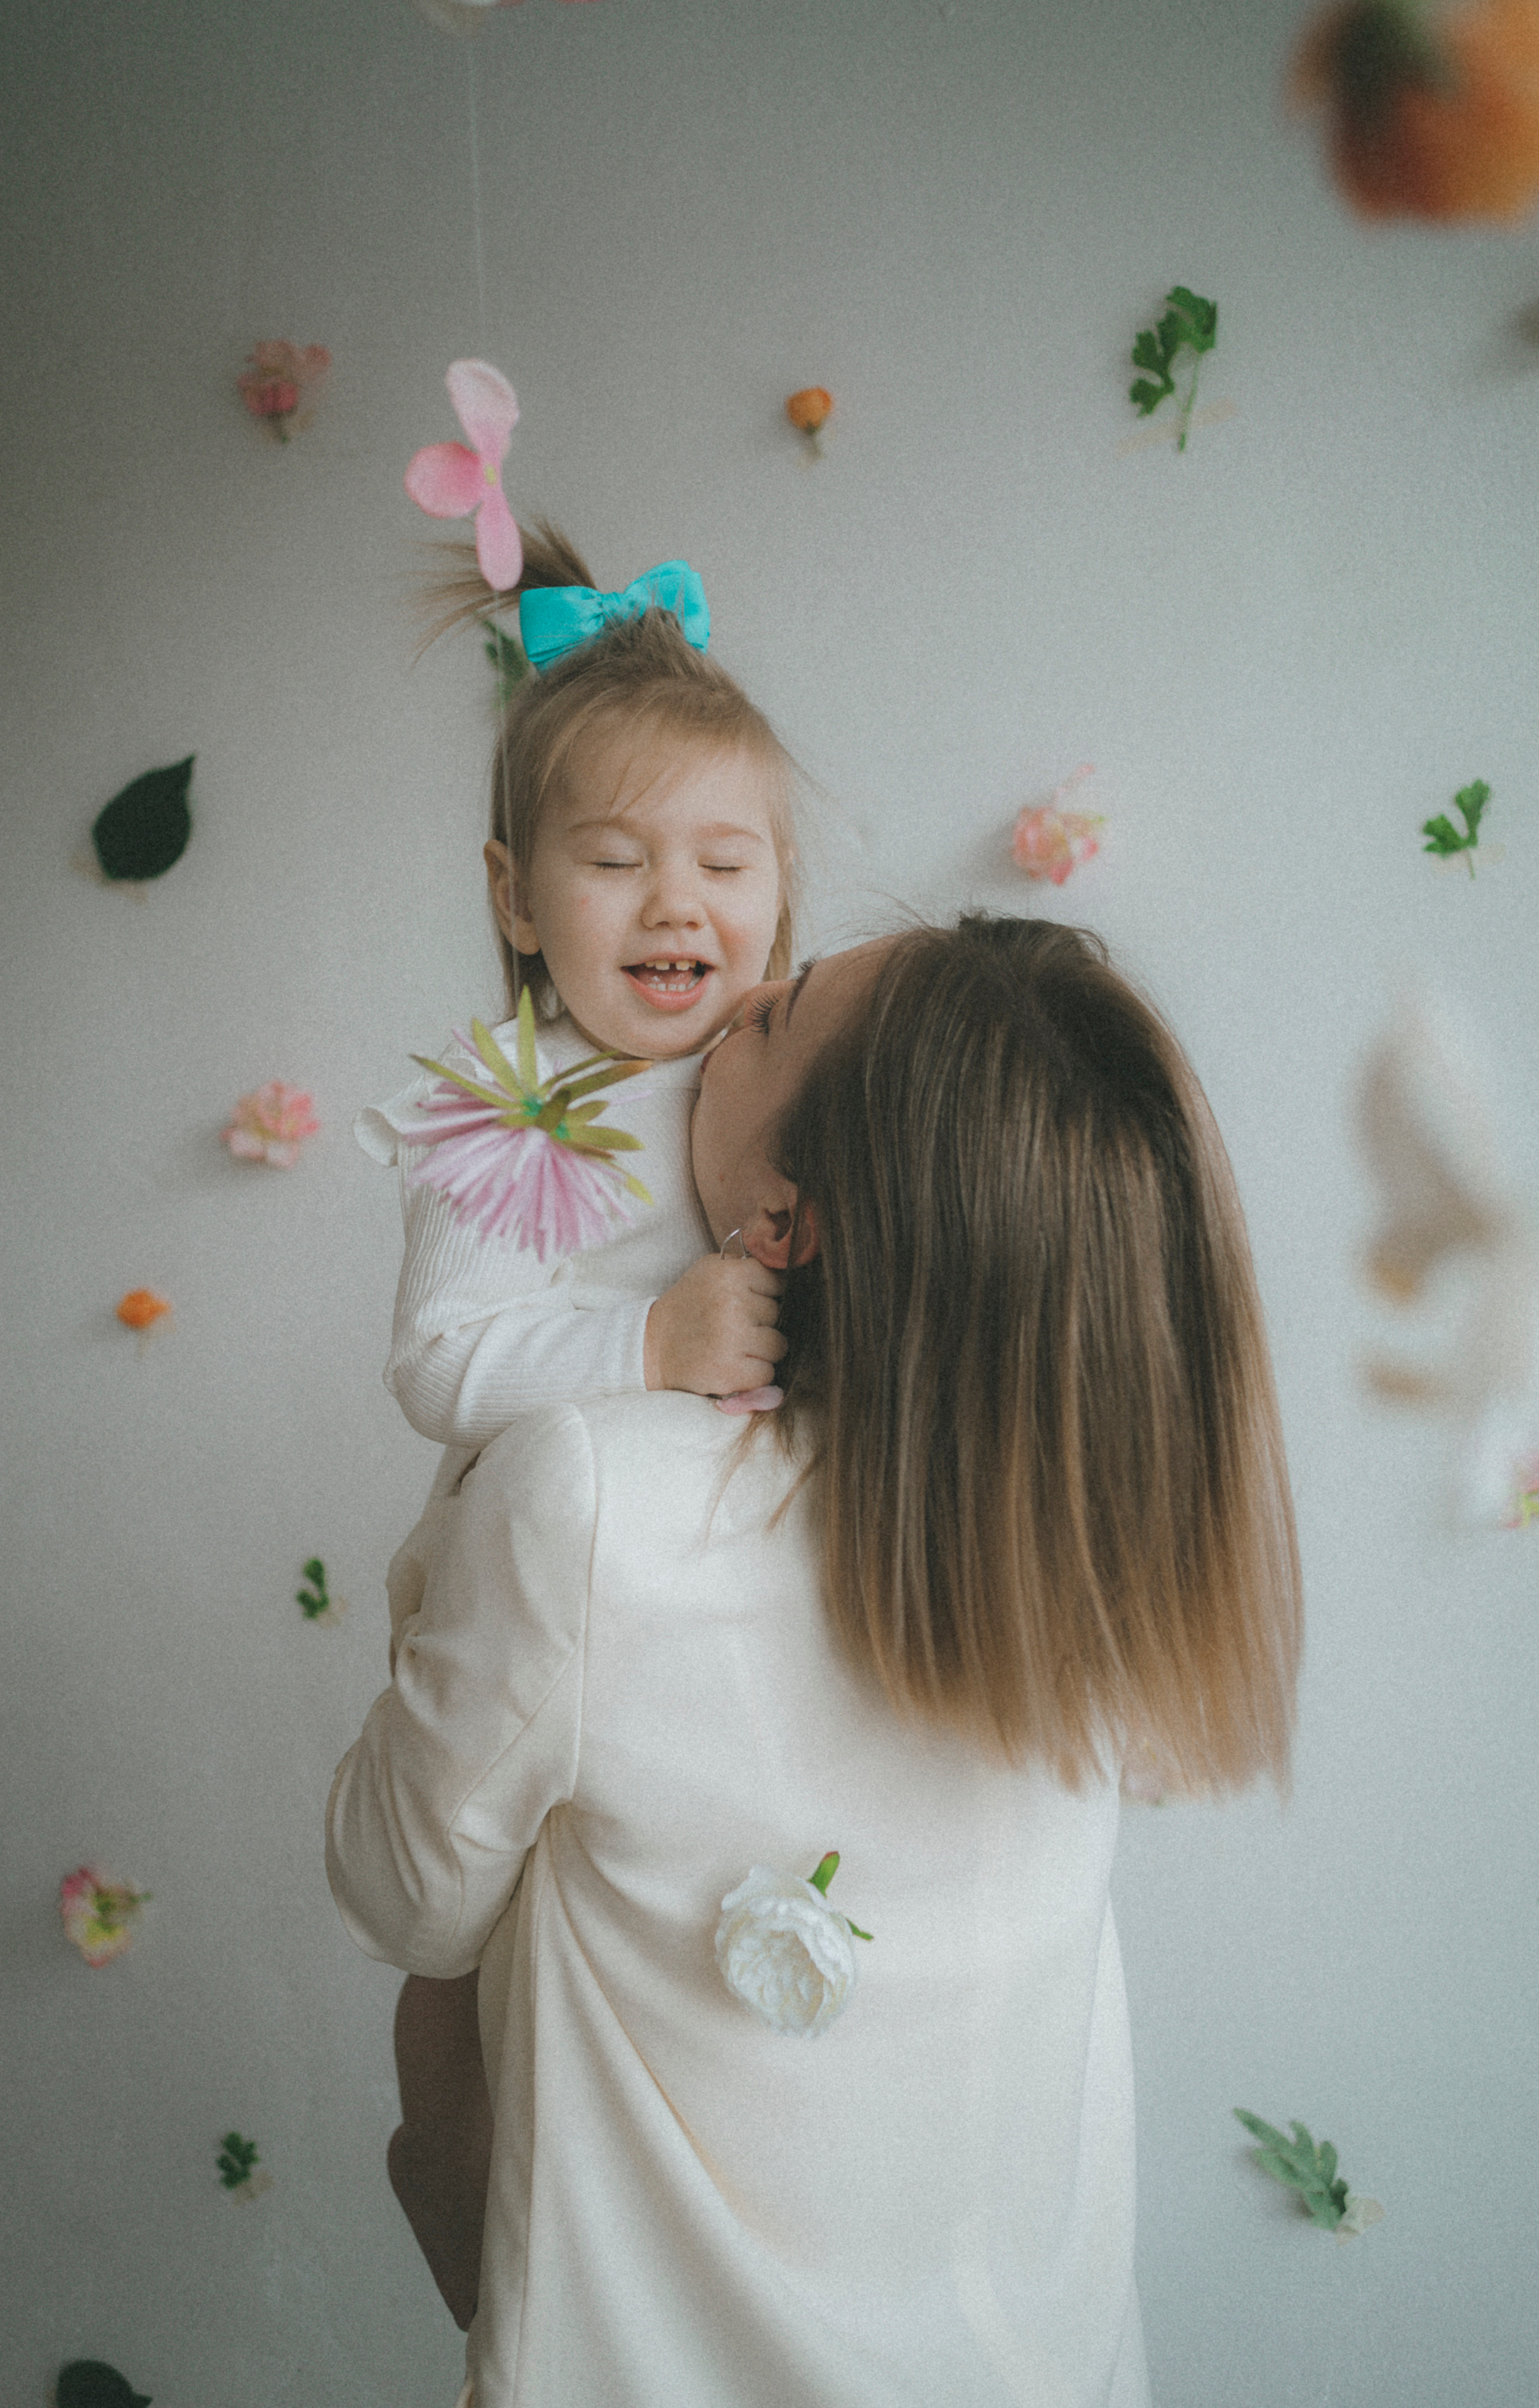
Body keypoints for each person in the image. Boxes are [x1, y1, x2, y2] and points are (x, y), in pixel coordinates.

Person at [327, 914, 1303, 2408]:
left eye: (771, 1023)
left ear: (787, 1221)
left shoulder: (596, 1499)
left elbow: (398, 1887)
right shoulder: (1098, 1544)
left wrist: (500, 1462)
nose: (732, 999)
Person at [356, 521, 800, 2315]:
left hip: (699, 1609)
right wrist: (650, 1338)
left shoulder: (789, 1065)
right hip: (514, 1591)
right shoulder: (510, 1108)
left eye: (726, 859)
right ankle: (457, 2181)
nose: (677, 902)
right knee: (480, 1944)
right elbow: (440, 1365)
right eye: (614, 861)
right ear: (517, 898)